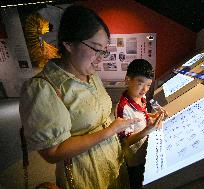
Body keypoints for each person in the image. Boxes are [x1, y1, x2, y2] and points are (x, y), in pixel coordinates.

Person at [19, 5, 140, 189]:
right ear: (68, 44)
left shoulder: (91, 75)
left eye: (104, 50)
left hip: (113, 161)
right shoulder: (43, 87)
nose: (102, 58)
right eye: (96, 49)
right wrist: (108, 131)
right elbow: (53, 152)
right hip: (86, 173)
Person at [116, 59, 166, 189]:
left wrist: (155, 116)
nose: (145, 89)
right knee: (137, 182)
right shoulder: (123, 108)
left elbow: (142, 116)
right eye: (140, 83)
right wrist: (148, 130)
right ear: (127, 80)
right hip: (134, 159)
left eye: (148, 85)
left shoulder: (140, 98)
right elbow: (125, 141)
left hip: (145, 151)